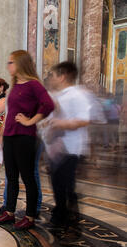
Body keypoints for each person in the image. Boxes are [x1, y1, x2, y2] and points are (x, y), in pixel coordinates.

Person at [0, 50, 54, 230]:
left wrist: (30, 120)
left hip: (25, 137)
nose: (8, 65)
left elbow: (49, 105)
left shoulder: (33, 84)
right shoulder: (15, 85)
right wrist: (2, 132)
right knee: (11, 177)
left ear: (20, 63)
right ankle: (9, 212)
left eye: (11, 62)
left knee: (27, 177)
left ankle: (30, 216)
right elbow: (10, 113)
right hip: (10, 136)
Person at [46, 61, 92, 228]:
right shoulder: (60, 95)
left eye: (54, 75)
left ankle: (70, 218)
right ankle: (61, 212)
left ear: (62, 76)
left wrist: (60, 124)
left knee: (66, 185)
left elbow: (84, 120)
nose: (51, 78)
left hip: (71, 148)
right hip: (58, 147)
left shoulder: (77, 95)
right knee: (58, 183)